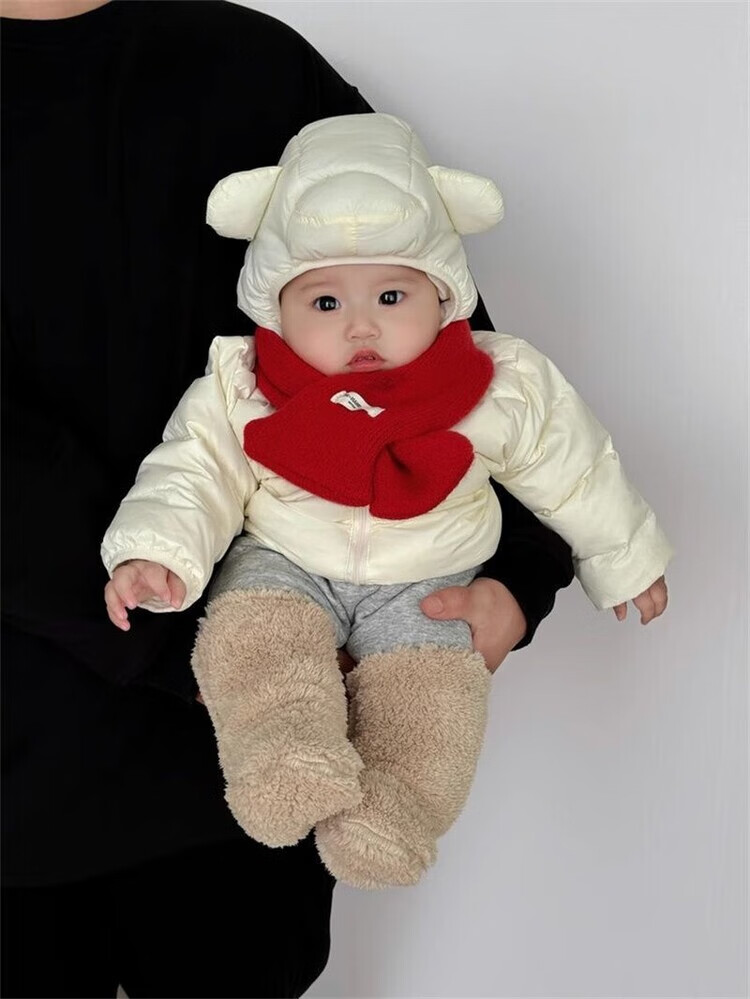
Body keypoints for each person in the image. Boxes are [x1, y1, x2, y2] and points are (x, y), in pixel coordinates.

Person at [0, 2, 576, 996]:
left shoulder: (253, 70)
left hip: (255, 769)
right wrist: (196, 647)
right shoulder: (251, 62)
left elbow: (448, 355)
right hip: (97, 744)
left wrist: (519, 576)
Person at [101, 113, 671, 889]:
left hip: (428, 580)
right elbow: (192, 471)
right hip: (286, 562)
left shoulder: (496, 382)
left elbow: (573, 465)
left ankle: (395, 810)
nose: (361, 325)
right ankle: (282, 755)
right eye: (325, 304)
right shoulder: (244, 386)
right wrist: (154, 552)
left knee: (434, 697)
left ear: (443, 296)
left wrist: (624, 553)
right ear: (275, 310)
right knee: (254, 640)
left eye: (392, 294)